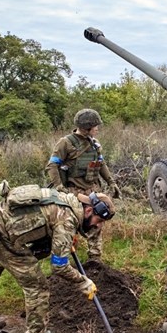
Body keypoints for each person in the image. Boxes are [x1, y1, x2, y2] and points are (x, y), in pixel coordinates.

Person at [0, 181, 116, 333]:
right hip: (7, 240)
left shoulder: (66, 201)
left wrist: (63, 241)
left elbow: (45, 222)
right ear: (89, 210)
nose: (98, 226)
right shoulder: (67, 220)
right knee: (37, 286)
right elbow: (59, 266)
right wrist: (83, 282)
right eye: (99, 220)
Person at [46, 108, 120, 262]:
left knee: (96, 223)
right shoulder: (66, 143)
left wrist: (111, 182)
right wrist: (59, 187)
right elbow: (52, 166)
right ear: (87, 128)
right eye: (95, 126)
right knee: (68, 225)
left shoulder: (94, 144)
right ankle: (62, 260)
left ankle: (95, 259)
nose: (98, 129)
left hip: (93, 190)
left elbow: (101, 164)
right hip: (73, 192)